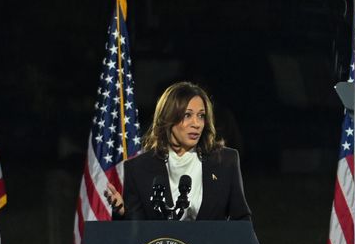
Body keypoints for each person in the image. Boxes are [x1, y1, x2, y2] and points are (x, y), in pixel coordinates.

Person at [105, 81, 251, 221]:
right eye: (187, 115)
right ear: (168, 117)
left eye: (201, 116)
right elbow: (137, 234)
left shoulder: (225, 161)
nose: (196, 124)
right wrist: (122, 213)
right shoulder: (137, 168)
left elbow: (241, 220)